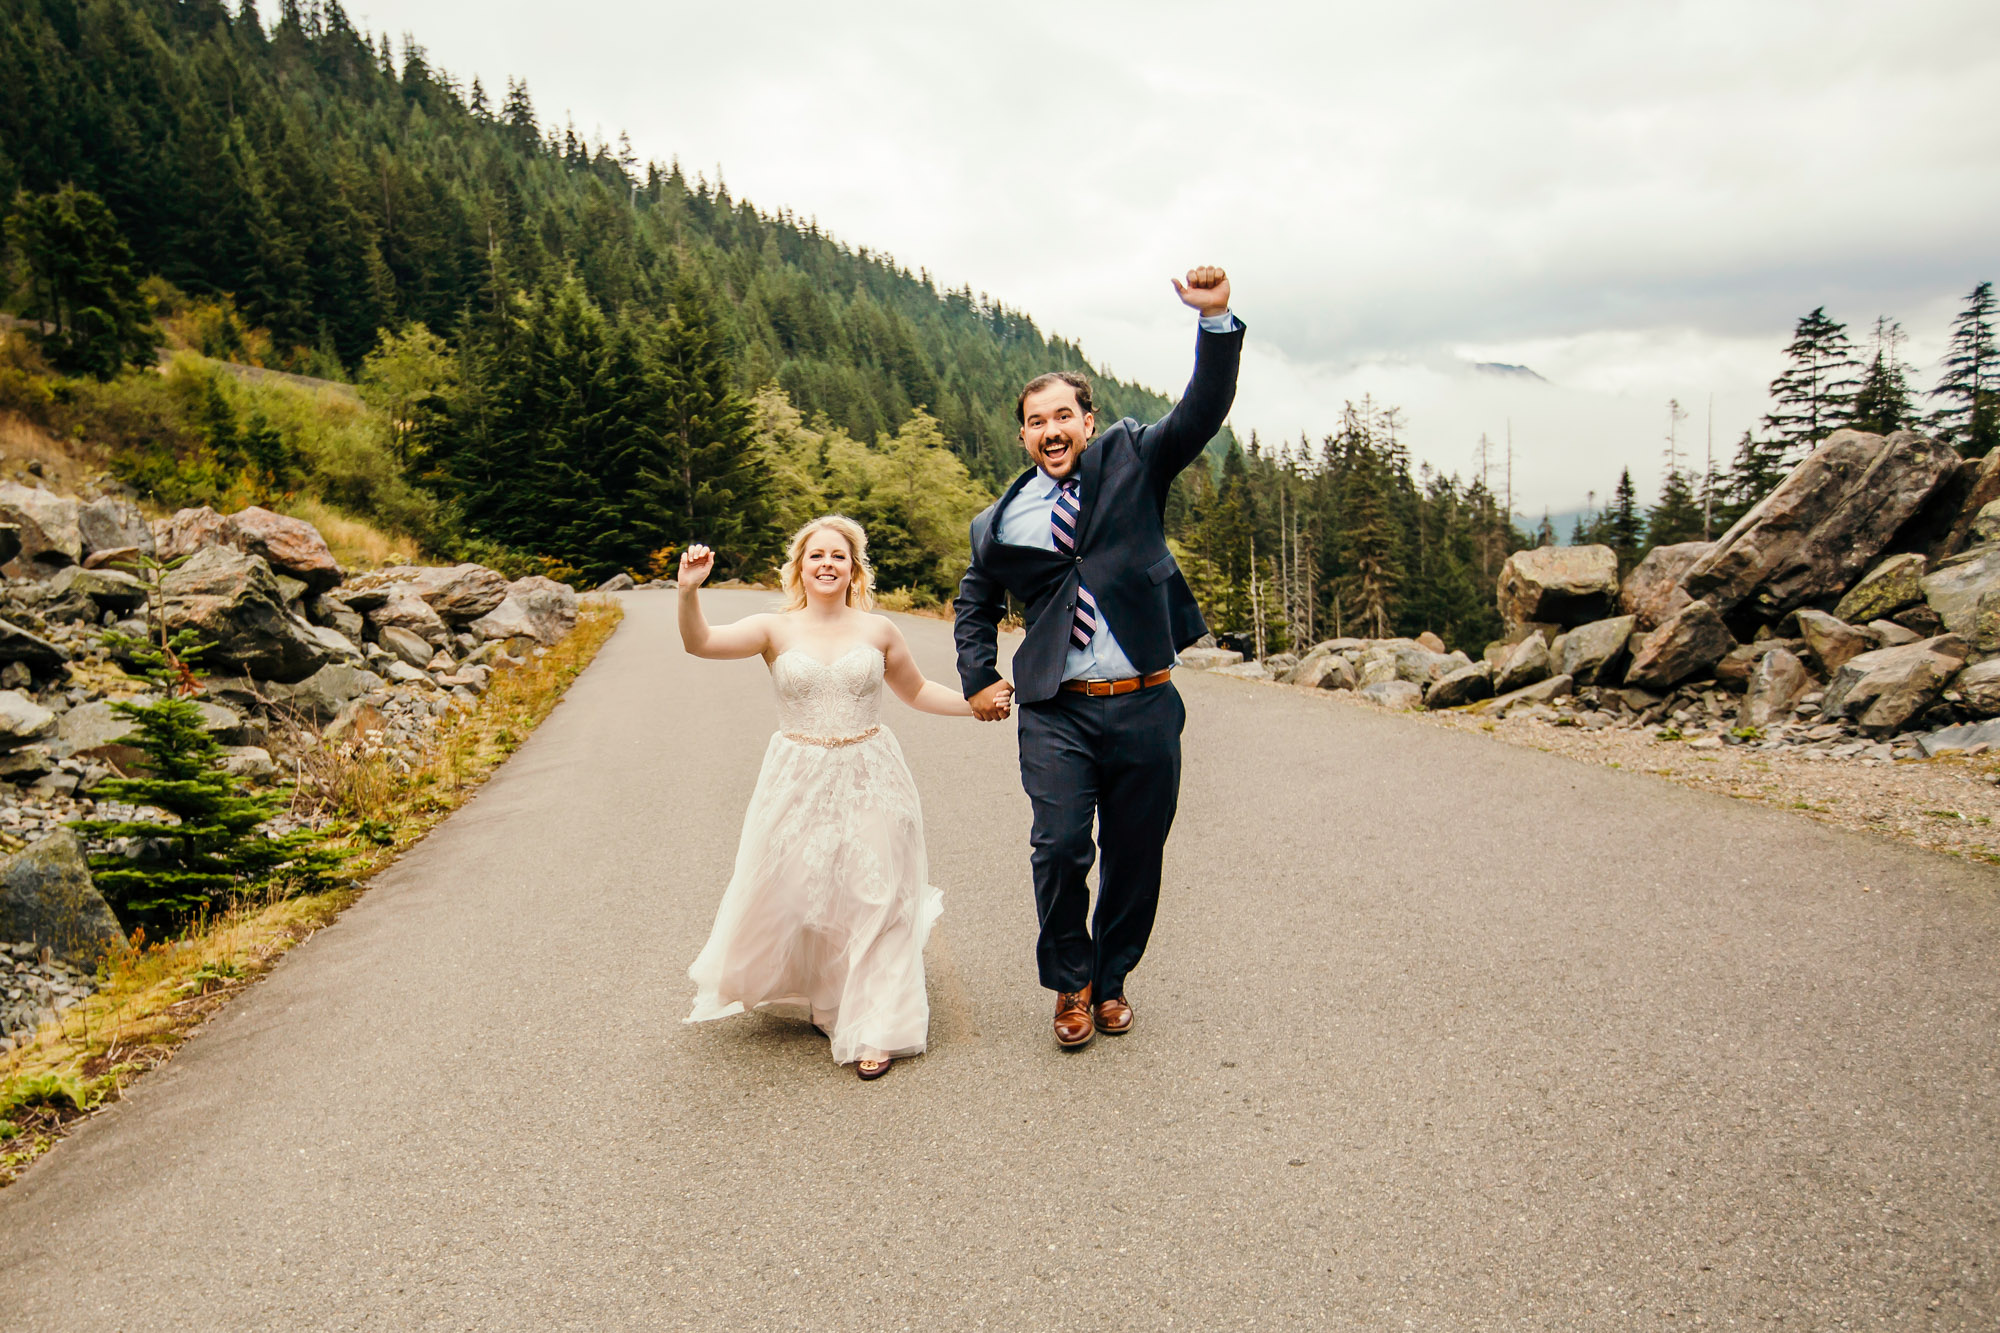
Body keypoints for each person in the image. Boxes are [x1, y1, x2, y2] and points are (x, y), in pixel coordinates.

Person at [953, 267, 1243, 1049]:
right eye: (1035, 420)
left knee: (1136, 854)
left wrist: (1214, 320)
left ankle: (1112, 979)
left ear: (1089, 420)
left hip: (1146, 699)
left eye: (1063, 416)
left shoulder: (1134, 461)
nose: (1050, 430)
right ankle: (1070, 984)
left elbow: (1201, 411)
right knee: (1058, 847)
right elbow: (974, 600)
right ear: (1021, 434)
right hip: (1057, 709)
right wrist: (979, 675)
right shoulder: (1000, 519)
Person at [679, 516, 1000, 1079]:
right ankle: (828, 997)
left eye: (839, 556)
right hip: (796, 776)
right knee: (806, 895)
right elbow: (700, 643)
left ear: (854, 569)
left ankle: (878, 1026)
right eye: (816, 555)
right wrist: (688, 592)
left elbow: (918, 691)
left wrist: (976, 704)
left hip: (871, 769)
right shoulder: (773, 630)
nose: (827, 564)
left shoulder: (878, 632)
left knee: (876, 894)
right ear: (800, 567)